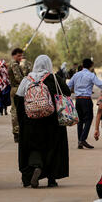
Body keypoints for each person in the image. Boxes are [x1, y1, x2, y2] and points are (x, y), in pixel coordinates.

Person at [15, 55, 71, 188]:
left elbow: (18, 100)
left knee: (34, 147)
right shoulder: (54, 79)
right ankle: (51, 179)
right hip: (52, 121)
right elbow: (67, 93)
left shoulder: (27, 80)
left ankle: (35, 167)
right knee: (53, 147)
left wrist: (22, 121)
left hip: (31, 121)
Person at [68, 58, 102, 149]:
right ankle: (82, 139)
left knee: (80, 121)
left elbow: (68, 86)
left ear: (82, 65)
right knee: (89, 119)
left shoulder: (76, 75)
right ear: (91, 65)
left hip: (78, 100)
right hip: (86, 99)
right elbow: (100, 85)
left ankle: (80, 141)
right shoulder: (91, 75)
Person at [8, 48, 26, 143]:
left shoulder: (14, 64)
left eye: (21, 56)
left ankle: (17, 132)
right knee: (16, 112)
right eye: (18, 56)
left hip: (15, 89)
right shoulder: (14, 65)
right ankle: (17, 133)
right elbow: (18, 78)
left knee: (16, 111)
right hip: (17, 89)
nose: (20, 58)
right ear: (14, 55)